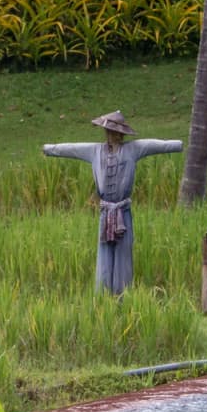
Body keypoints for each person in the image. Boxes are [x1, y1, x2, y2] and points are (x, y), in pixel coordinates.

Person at [40, 111, 184, 296]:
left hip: (122, 211)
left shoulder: (132, 150)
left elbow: (156, 145)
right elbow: (71, 149)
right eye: (107, 132)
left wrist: (178, 145)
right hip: (106, 211)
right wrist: (49, 149)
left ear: (120, 134)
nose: (109, 136)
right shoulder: (95, 151)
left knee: (123, 254)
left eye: (112, 132)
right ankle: (103, 296)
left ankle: (123, 295)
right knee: (105, 254)